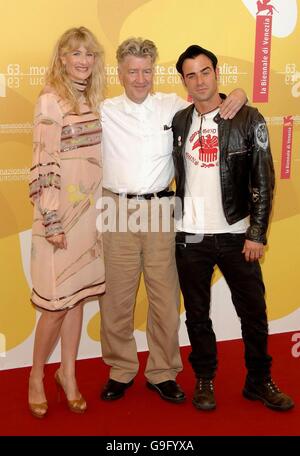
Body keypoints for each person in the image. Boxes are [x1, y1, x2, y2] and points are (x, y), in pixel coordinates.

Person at [99, 37, 247, 403]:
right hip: (116, 209)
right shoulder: (103, 109)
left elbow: (210, 102)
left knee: (165, 298)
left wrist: (238, 93)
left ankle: (162, 371)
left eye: (146, 70)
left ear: (154, 71)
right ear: (119, 73)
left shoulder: (171, 107)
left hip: (165, 209)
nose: (139, 78)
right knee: (117, 300)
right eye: (132, 71)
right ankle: (120, 369)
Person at [172, 44, 294, 411]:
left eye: (205, 71)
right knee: (196, 314)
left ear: (216, 73)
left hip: (237, 233)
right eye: (190, 75)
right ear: (184, 82)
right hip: (190, 235)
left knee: (253, 313)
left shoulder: (248, 117)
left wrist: (256, 233)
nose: (199, 80)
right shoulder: (179, 120)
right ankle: (204, 378)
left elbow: (263, 177)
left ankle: (258, 380)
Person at [28, 27, 105, 418]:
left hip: (88, 217)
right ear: (62, 58)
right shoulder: (50, 100)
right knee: (56, 306)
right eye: (75, 54)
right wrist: (52, 217)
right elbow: (45, 163)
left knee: (76, 300)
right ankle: (37, 375)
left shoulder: (91, 98)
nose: (83, 61)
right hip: (57, 218)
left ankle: (69, 374)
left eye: (89, 54)